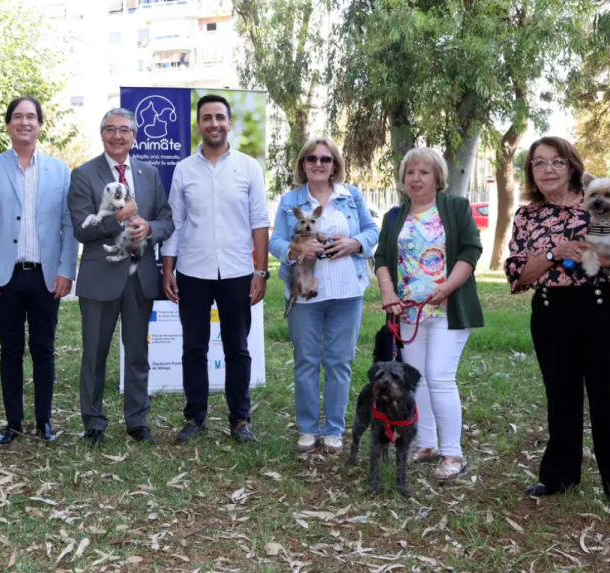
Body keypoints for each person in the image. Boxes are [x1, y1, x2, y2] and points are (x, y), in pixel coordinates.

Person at [504, 136, 610, 517]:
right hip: (550, 312)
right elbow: (518, 276)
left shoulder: (603, 199)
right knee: (561, 397)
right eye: (538, 164)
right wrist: (554, 252)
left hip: (603, 311)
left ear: (571, 165)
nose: (547, 170)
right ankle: (559, 476)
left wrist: (607, 260)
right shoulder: (527, 215)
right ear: (531, 172)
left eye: (556, 161)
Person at [162, 94, 271, 444]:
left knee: (237, 348)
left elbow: (259, 224)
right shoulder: (184, 170)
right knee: (194, 347)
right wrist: (168, 270)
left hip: (238, 271)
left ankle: (240, 420)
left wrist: (261, 271)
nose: (214, 123)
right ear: (198, 125)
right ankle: (195, 417)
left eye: (220, 117)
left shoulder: (248, 168)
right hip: (192, 272)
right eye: (207, 118)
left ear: (230, 123)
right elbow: (175, 224)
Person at [0, 97, 78, 445]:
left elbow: (68, 224)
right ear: (8, 124)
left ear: (40, 124)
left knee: (44, 349)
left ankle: (43, 421)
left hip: (47, 276)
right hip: (6, 276)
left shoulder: (59, 171)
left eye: (31, 117)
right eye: (17, 117)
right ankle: (14, 422)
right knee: (11, 350)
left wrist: (66, 270)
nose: (24, 123)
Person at [67, 108, 174, 446]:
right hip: (100, 279)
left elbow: (167, 219)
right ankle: (94, 423)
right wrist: (120, 218)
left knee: (138, 355)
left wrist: (150, 228)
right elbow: (81, 230)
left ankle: (137, 421)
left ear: (134, 136)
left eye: (124, 130)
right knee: (94, 354)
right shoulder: (84, 174)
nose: (117, 135)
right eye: (110, 129)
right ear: (102, 134)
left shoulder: (149, 172)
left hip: (140, 278)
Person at [375, 147, 483, 481]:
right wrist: (388, 291)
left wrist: (449, 286)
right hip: (408, 314)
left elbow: (470, 249)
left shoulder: (455, 207)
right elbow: (380, 258)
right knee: (415, 378)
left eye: (424, 172)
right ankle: (428, 442)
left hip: (448, 308)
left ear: (438, 178)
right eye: (410, 172)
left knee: (438, 376)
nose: (416, 178)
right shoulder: (394, 216)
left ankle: (453, 454)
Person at [268, 137, 379, 453]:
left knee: (339, 362)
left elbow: (372, 231)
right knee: (306, 361)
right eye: (312, 158)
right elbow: (275, 240)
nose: (318, 163)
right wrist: (295, 248)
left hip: (347, 292)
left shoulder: (351, 196)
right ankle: (307, 428)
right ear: (302, 163)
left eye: (326, 159)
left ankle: (333, 429)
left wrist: (355, 243)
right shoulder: (291, 199)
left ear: (335, 165)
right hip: (305, 293)